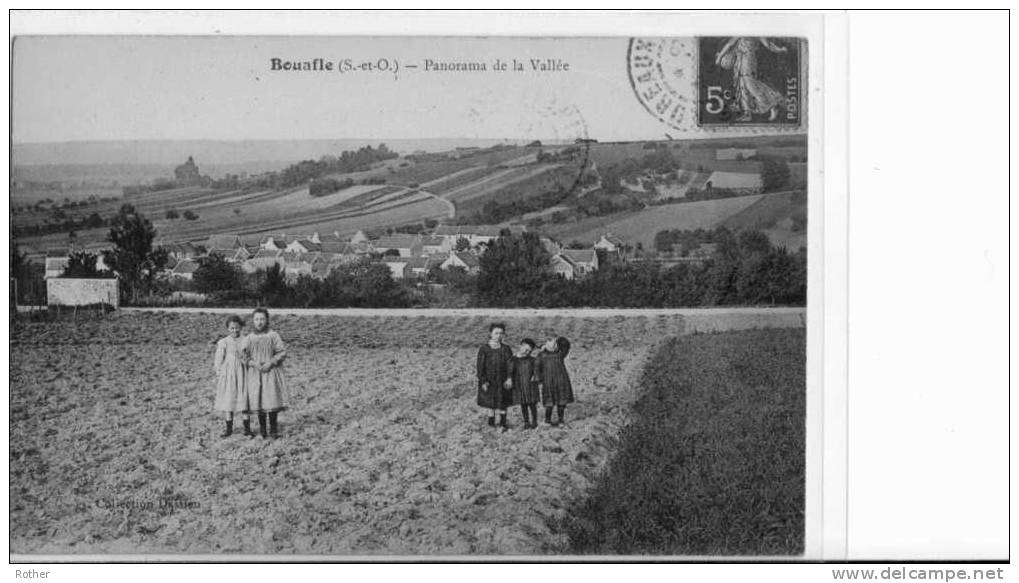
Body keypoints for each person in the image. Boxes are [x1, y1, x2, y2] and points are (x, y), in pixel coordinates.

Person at [714, 37, 789, 122]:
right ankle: (747, 113)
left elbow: (768, 45)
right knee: (742, 85)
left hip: (749, 60)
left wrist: (780, 50)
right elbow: (730, 44)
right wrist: (720, 56)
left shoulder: (757, 32)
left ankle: (773, 104)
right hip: (740, 60)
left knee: (750, 84)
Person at [242, 308, 288, 439]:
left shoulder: (273, 335)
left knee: (271, 399)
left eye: (262, 319)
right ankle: (263, 430)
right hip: (255, 373)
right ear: (253, 321)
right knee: (259, 400)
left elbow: (282, 352)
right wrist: (254, 363)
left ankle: (273, 429)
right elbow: (243, 356)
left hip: (271, 372)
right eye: (257, 319)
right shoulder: (249, 338)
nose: (259, 322)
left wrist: (271, 362)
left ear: (267, 320)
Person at [213, 315, 253, 438]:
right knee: (228, 399)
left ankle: (247, 428)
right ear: (228, 329)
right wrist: (219, 373)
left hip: (242, 372)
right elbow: (218, 359)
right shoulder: (224, 342)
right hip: (229, 373)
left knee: (244, 398)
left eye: (237, 328)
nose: (235, 330)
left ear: (241, 327)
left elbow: (250, 355)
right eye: (232, 328)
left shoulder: (246, 340)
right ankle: (229, 429)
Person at [476, 322, 514, 431]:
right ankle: (491, 423)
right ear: (490, 334)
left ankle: (503, 423)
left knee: (503, 402)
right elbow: (480, 367)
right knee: (490, 402)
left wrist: (509, 377)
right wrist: (483, 380)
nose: (499, 336)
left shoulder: (506, 349)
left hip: (502, 380)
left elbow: (510, 364)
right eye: (496, 333)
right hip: (489, 380)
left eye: (501, 333)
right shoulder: (484, 349)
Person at [536, 335, 574, 427]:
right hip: (549, 382)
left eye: (554, 343)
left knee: (561, 402)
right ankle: (548, 421)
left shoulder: (560, 354)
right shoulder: (542, 355)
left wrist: (558, 339)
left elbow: (566, 344)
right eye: (549, 342)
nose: (552, 345)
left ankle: (560, 421)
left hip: (560, 381)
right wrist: (539, 378)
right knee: (549, 402)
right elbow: (536, 367)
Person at [509, 338, 540, 430]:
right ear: (520, 346)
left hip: (530, 385)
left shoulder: (532, 360)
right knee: (523, 404)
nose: (527, 352)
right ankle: (526, 422)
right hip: (520, 385)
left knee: (532, 404)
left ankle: (534, 421)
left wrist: (535, 375)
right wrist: (510, 379)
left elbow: (536, 370)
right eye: (526, 350)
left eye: (529, 351)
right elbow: (510, 371)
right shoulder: (513, 359)